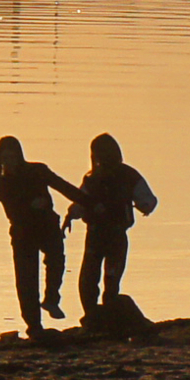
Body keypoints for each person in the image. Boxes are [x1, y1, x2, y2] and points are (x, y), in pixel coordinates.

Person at [0, 136, 89, 338]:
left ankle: (51, 299)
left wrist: (89, 202)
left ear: (19, 156)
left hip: (47, 226)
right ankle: (34, 326)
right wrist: (31, 204)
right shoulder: (2, 182)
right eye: (4, 158)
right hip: (22, 233)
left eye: (11, 156)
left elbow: (64, 187)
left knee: (56, 262)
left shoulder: (37, 170)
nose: (8, 161)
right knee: (26, 280)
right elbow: (12, 212)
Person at [64, 133, 157, 316]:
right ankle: (101, 314)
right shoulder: (119, 175)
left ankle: (96, 315)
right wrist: (144, 206)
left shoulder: (98, 177)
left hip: (104, 234)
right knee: (105, 278)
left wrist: (72, 214)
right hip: (108, 234)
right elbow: (148, 201)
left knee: (93, 278)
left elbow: (81, 203)